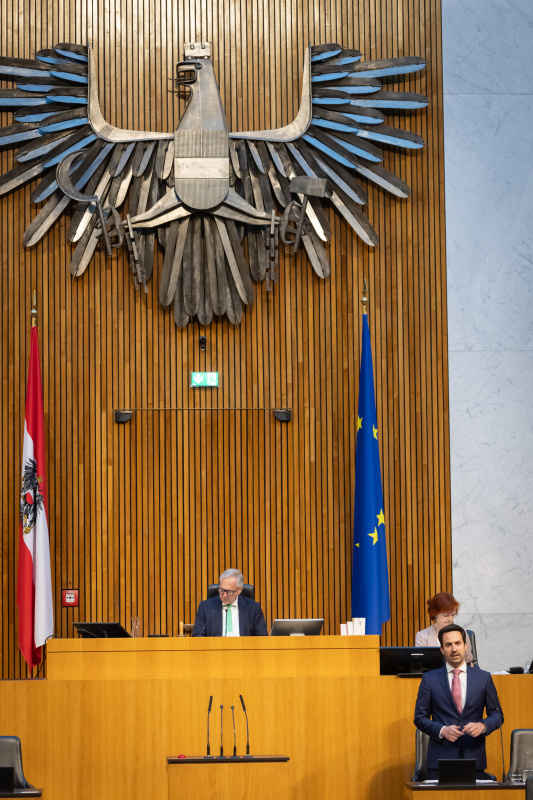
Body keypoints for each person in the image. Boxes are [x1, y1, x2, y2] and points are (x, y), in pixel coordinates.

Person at [414, 623, 503, 779]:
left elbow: (497, 715)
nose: (454, 649)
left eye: (457, 643)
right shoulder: (429, 679)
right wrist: (442, 730)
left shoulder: (484, 678)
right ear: (442, 649)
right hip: (439, 761)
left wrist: (482, 725)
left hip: (474, 758)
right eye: (448, 645)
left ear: (465, 646)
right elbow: (419, 718)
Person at [192, 568, 268, 637]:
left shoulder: (253, 608)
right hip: (215, 650)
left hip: (244, 651)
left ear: (239, 590)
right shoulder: (205, 607)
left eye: (229, 592)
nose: (224, 595)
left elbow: (261, 637)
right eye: (221, 590)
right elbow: (198, 636)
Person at [416, 592, 475, 665]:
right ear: (434, 614)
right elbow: (420, 664)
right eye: (446, 615)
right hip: (432, 674)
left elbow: (468, 661)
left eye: (453, 615)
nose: (450, 619)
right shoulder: (422, 636)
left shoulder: (462, 633)